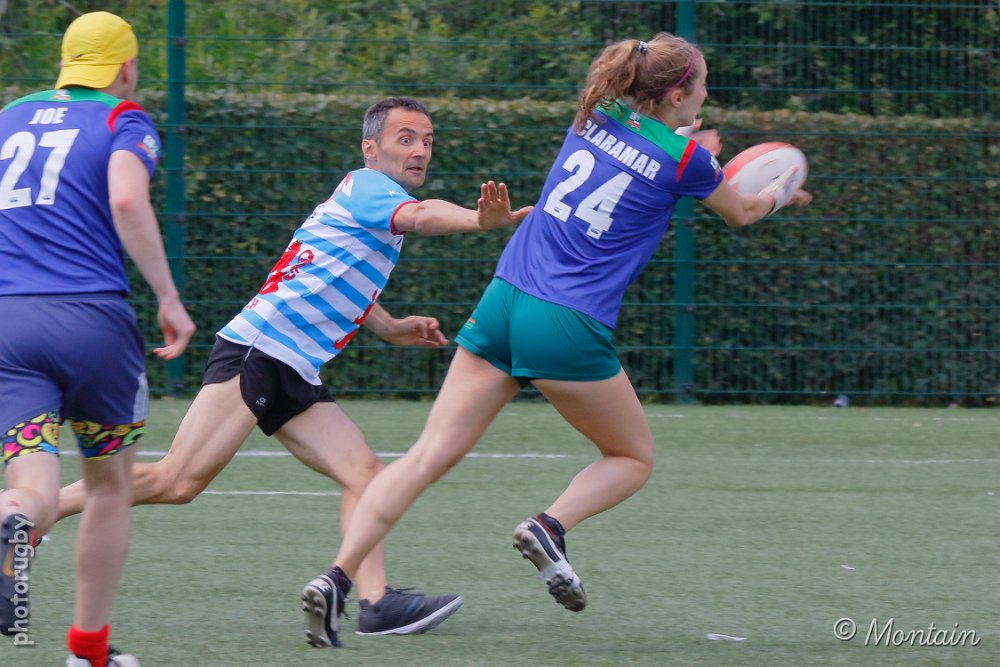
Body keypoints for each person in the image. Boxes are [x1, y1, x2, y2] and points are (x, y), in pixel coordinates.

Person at [302, 32, 813, 645]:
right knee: (632, 458)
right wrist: (778, 191)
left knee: (425, 455)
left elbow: (638, 147)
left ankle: (337, 578)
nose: (706, 94)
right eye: (701, 85)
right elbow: (741, 211)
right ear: (679, 94)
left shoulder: (597, 110)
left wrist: (682, 139)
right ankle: (550, 526)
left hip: (503, 301)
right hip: (567, 321)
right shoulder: (688, 162)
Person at [56, 96, 532, 648]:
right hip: (260, 352)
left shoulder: (370, 203)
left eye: (426, 140)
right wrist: (479, 219)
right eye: (405, 138)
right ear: (370, 148)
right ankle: (31, 513)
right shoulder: (370, 187)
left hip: (290, 363)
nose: (420, 150)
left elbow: (328, 270)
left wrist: (388, 326)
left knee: (364, 475)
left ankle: (376, 603)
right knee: (176, 481)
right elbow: (423, 215)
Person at [0, 11, 197, 667]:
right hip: (92, 322)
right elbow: (126, 201)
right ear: (126, 68)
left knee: (30, 485)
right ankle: (88, 652)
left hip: (9, 324)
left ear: (65, 63)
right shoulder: (123, 119)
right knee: (109, 485)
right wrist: (168, 297)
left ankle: (11, 518)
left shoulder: (9, 117)